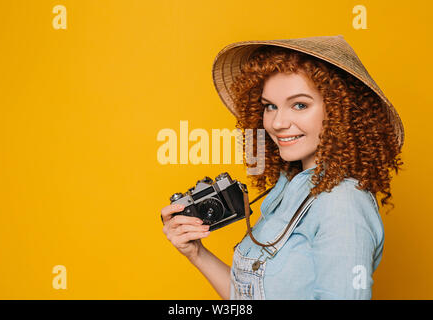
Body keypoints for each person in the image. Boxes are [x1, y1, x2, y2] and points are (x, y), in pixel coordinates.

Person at [161, 35, 404, 299]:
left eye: (299, 105)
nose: (277, 123)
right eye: (270, 106)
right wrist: (196, 253)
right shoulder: (288, 188)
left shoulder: (342, 203)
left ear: (340, 112)